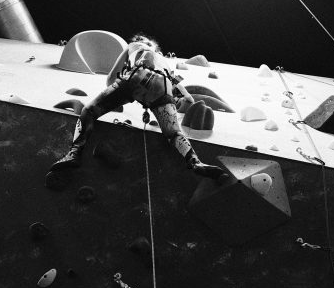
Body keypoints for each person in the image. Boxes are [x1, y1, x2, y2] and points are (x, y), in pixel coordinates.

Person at [46, 33, 226, 187]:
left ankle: (74, 153)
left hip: (137, 76)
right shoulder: (165, 63)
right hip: (163, 86)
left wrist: (121, 94)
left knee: (89, 111)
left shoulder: (134, 46)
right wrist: (167, 105)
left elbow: (110, 80)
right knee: (173, 133)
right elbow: (188, 99)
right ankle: (195, 162)